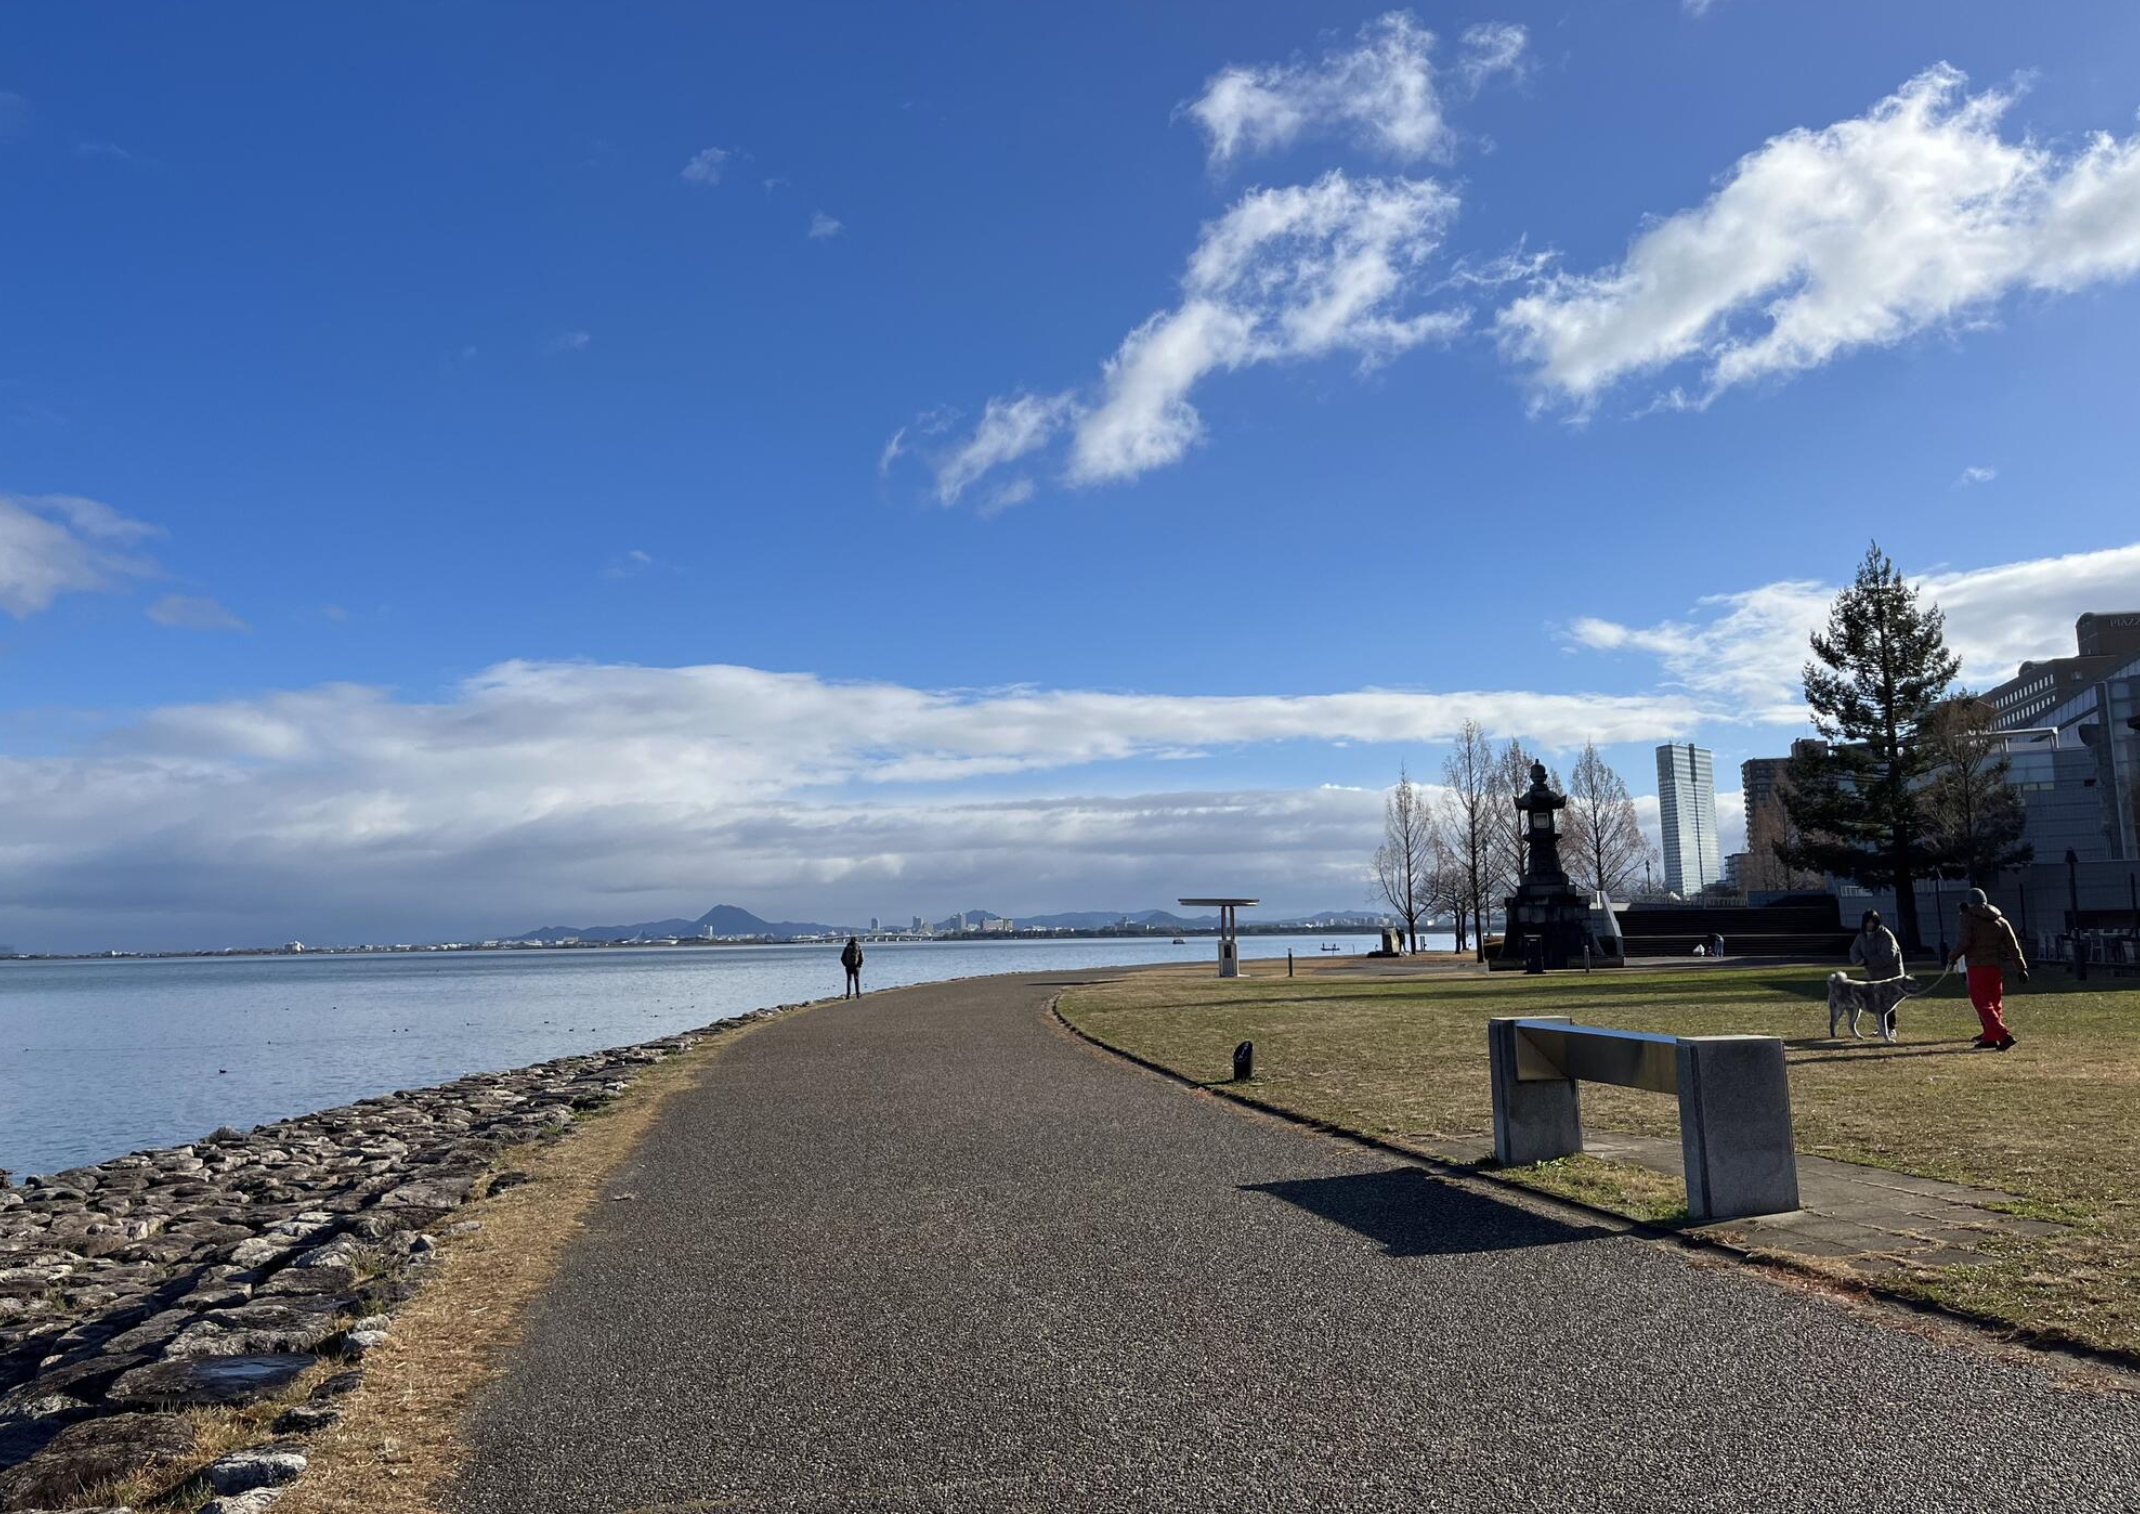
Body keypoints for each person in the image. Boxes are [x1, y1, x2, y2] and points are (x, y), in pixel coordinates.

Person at [1950, 888, 2028, 1050]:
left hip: (1977, 966)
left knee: (1982, 1003)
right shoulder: (2001, 921)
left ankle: (2003, 1035)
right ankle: (1990, 1038)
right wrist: (2021, 968)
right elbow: (2013, 947)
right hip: (1995, 966)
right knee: (1995, 1002)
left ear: (1969, 903)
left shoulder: (1968, 918)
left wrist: (1952, 957)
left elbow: (1965, 942)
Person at [1849, 909, 1904, 980]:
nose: (1870, 924)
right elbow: (1854, 950)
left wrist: (1867, 961)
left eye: (1872, 922)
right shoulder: (1861, 936)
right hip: (1873, 977)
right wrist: (1857, 960)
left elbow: (1887, 956)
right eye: (1867, 922)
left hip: (1891, 978)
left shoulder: (1886, 936)